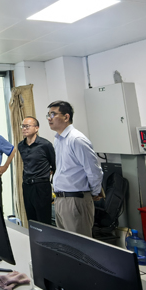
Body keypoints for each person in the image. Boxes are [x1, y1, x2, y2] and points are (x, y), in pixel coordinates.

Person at [47, 101, 103, 237]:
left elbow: (94, 171)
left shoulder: (77, 139)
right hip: (60, 199)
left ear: (66, 117)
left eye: (53, 114)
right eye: (48, 115)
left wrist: (94, 193)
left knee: (80, 244)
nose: (49, 118)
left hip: (76, 200)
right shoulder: (58, 139)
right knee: (66, 244)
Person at [18, 116, 55, 226]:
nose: (24, 129)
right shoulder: (21, 145)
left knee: (43, 220)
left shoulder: (45, 145)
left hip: (41, 186)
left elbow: (55, 164)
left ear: (36, 128)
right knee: (31, 219)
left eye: (27, 126)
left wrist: (48, 172)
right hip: (26, 186)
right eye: (23, 126)